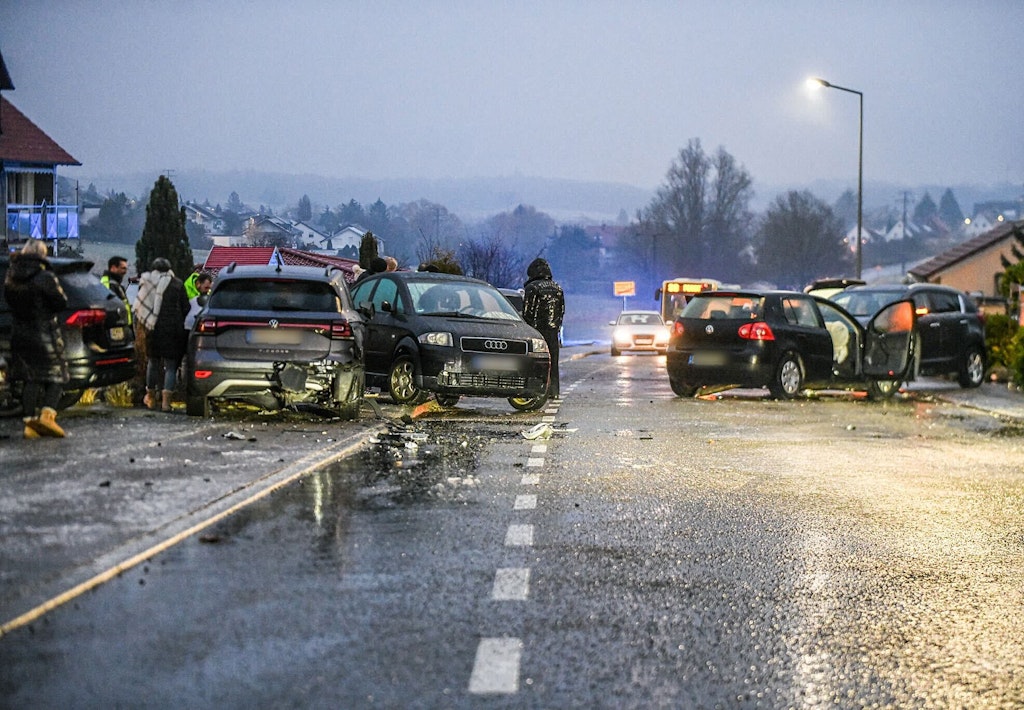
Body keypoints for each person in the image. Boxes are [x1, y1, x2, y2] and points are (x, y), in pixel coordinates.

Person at [3, 239, 70, 438]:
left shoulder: (11, 276)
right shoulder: (45, 276)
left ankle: (29, 423)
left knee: (30, 378)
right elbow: (61, 302)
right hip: (44, 334)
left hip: (20, 334)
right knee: (57, 376)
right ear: (42, 254)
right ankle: (47, 417)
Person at [133, 258, 190, 412]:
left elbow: (139, 308)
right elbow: (186, 307)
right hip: (173, 330)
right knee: (171, 366)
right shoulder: (177, 284)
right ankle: (166, 403)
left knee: (153, 363)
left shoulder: (147, 284)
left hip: (153, 329)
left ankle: (150, 398)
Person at [522, 257, 565, 399]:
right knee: (553, 362)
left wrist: (527, 328)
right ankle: (554, 391)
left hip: (537, 330)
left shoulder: (532, 288)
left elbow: (528, 311)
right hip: (553, 330)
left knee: (535, 361)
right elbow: (562, 310)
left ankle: (537, 389)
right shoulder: (558, 288)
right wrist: (557, 327)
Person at [100, 255, 132, 326]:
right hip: (114, 327)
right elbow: (108, 307)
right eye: (123, 268)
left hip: (122, 325)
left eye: (126, 269)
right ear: (113, 268)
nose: (125, 272)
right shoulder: (108, 284)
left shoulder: (116, 284)